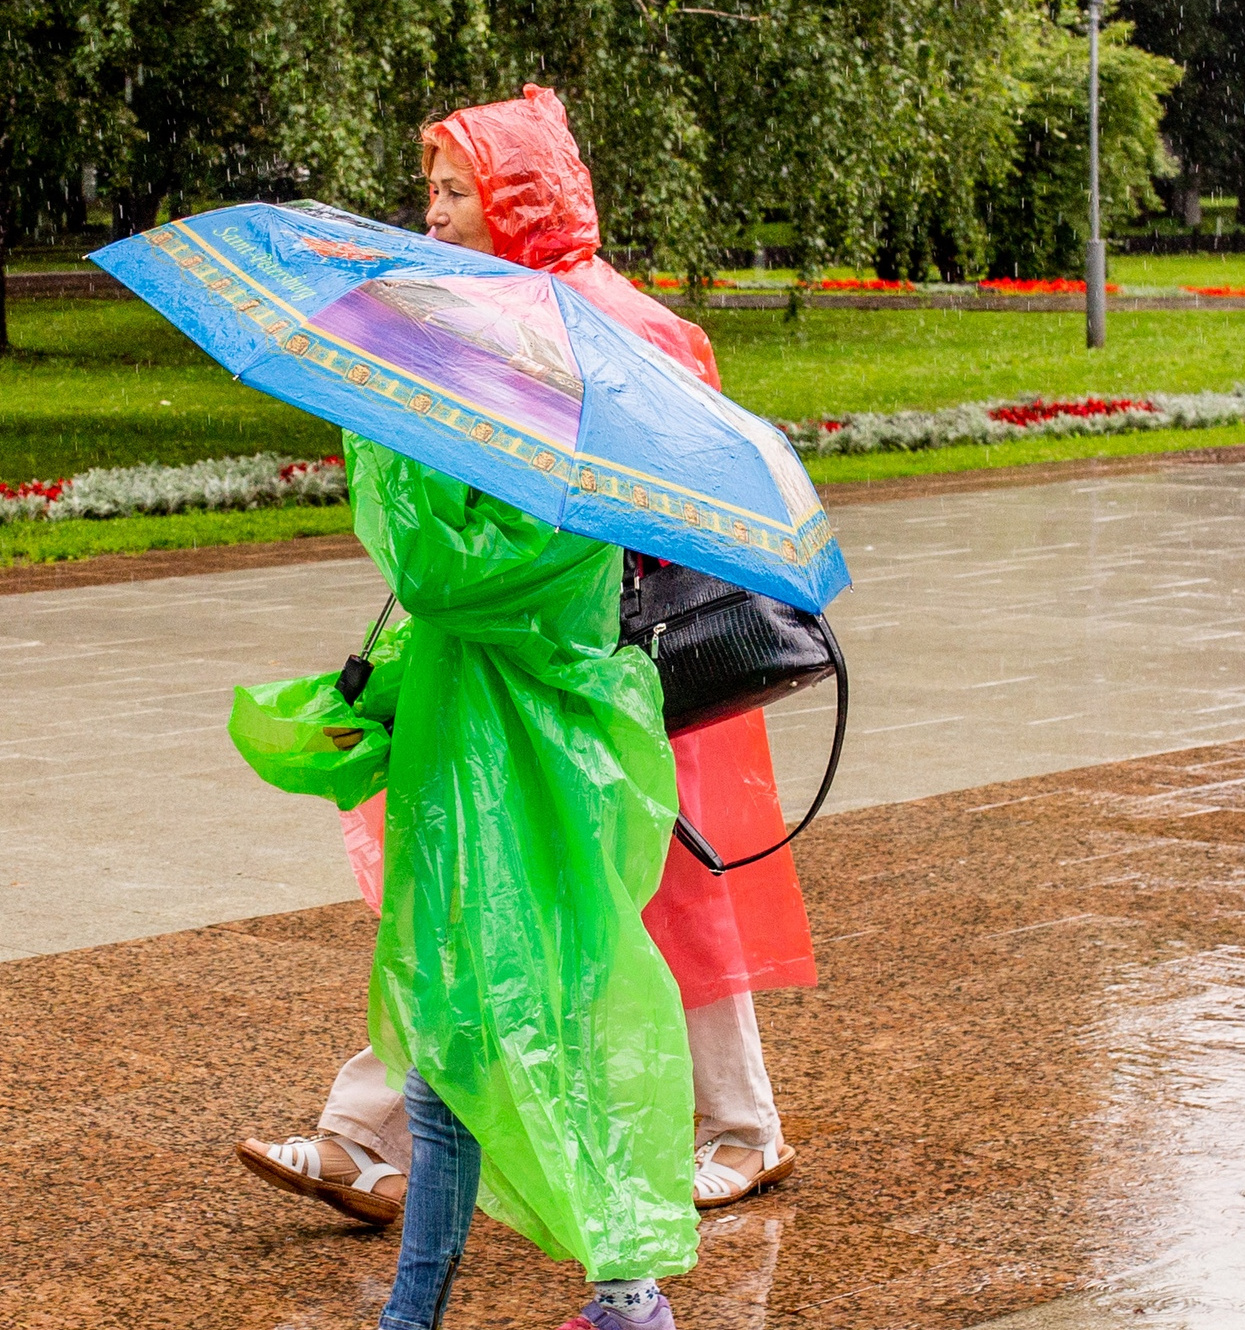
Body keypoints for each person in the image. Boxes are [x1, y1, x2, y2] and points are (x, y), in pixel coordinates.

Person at [239, 88, 816, 1255]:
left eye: (454, 190)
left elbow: (672, 495)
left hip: (617, 668)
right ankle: (368, 1137)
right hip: (533, 663)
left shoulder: (616, 325)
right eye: (433, 191)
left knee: (650, 897)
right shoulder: (476, 310)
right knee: (480, 887)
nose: (435, 213)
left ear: (515, 199)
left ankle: (739, 1130)